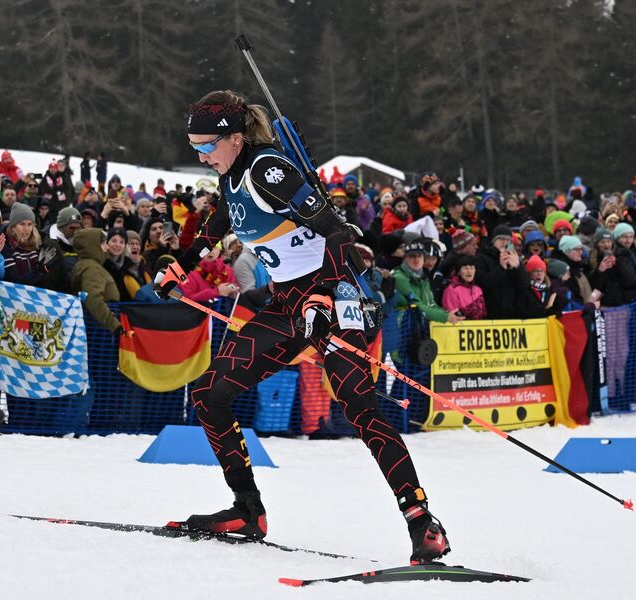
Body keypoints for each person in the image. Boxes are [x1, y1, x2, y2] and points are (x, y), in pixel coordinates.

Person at [153, 90, 452, 564]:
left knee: (359, 407)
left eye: (207, 145)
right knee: (210, 394)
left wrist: (324, 294)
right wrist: (181, 266)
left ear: (234, 138)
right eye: (195, 148)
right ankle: (247, 511)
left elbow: (337, 231)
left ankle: (422, 522)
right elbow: (218, 223)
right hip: (287, 304)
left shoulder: (268, 170)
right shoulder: (232, 177)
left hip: (336, 296)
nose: (202, 156)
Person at [393, 241, 464, 324]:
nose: (416, 259)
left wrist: (447, 314)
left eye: (419, 256)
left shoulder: (423, 278)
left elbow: (431, 304)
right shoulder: (399, 278)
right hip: (401, 326)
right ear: (405, 259)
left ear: (423, 259)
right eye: (412, 256)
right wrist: (445, 317)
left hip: (418, 324)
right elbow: (416, 305)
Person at [2, 203, 68, 292]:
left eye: (29, 224)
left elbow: (57, 279)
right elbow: (15, 281)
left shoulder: (40, 245)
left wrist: (47, 269)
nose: (26, 229)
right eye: (22, 224)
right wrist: (40, 270)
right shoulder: (6, 246)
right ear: (13, 226)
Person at [70, 227, 123, 334]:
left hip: (99, 325)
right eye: (103, 244)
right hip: (100, 328)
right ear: (93, 246)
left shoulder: (88, 265)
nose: (107, 247)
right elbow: (92, 297)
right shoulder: (92, 268)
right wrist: (113, 324)